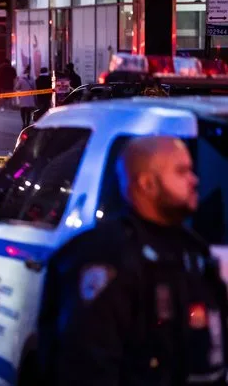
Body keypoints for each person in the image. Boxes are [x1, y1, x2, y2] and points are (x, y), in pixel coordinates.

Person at [38, 136, 228, 386]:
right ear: (147, 184)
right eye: (181, 172)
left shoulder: (193, 252)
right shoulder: (105, 256)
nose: (195, 180)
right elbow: (87, 366)